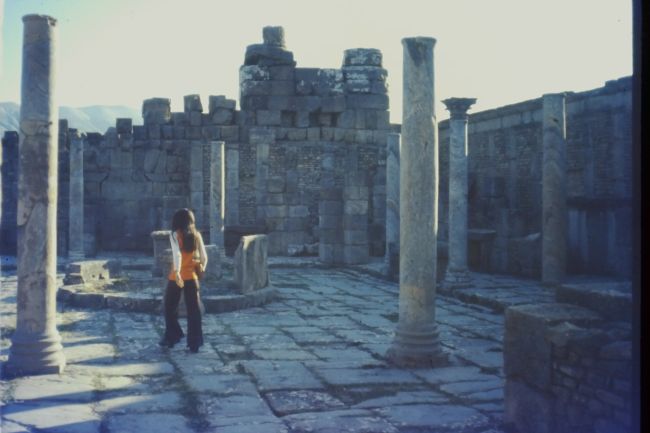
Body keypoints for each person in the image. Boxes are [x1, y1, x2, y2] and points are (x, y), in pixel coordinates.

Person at [159, 208, 207, 353]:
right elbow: (204, 256)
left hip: (176, 277)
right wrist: (202, 267)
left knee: (169, 307)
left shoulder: (175, 235)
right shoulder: (196, 235)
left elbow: (177, 255)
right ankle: (195, 342)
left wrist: (178, 272)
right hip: (192, 276)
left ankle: (172, 336)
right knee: (193, 310)